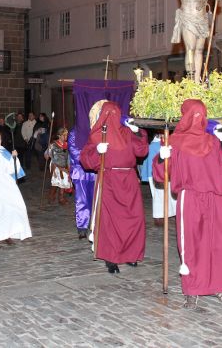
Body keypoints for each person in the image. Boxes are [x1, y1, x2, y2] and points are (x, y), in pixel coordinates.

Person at [153, 100, 222, 307]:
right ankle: (193, 288)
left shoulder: (212, 140)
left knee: (219, 241)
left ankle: (219, 283)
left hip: (217, 197)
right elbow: (160, 174)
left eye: (201, 114)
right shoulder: (173, 141)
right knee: (192, 244)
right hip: (191, 197)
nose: (197, 119)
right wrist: (162, 156)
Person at [80, 101, 148, 274]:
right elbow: (86, 160)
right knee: (110, 222)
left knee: (133, 218)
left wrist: (138, 132)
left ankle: (131, 253)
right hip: (109, 179)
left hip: (128, 180)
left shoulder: (127, 132)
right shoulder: (97, 135)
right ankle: (111, 257)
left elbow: (141, 151)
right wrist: (97, 151)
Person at [139, 133, 177, 227]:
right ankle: (159, 217)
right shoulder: (152, 146)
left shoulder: (171, 145)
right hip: (156, 175)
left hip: (168, 174)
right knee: (159, 197)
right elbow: (150, 162)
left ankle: (172, 214)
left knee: (171, 197)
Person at [68, 128, 96, 240]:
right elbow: (74, 151)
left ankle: (95, 224)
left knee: (95, 199)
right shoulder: (74, 132)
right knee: (82, 200)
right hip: (80, 172)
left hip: (94, 171)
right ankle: (82, 227)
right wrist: (89, 158)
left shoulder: (96, 129)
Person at [45, 127, 71, 205]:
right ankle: (51, 195)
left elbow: (68, 156)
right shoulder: (53, 144)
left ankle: (61, 198)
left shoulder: (67, 145)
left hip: (64, 165)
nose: (66, 137)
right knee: (56, 182)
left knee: (64, 181)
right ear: (59, 135)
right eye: (64, 135)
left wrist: (69, 165)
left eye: (66, 135)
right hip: (55, 165)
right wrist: (47, 154)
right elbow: (47, 154)